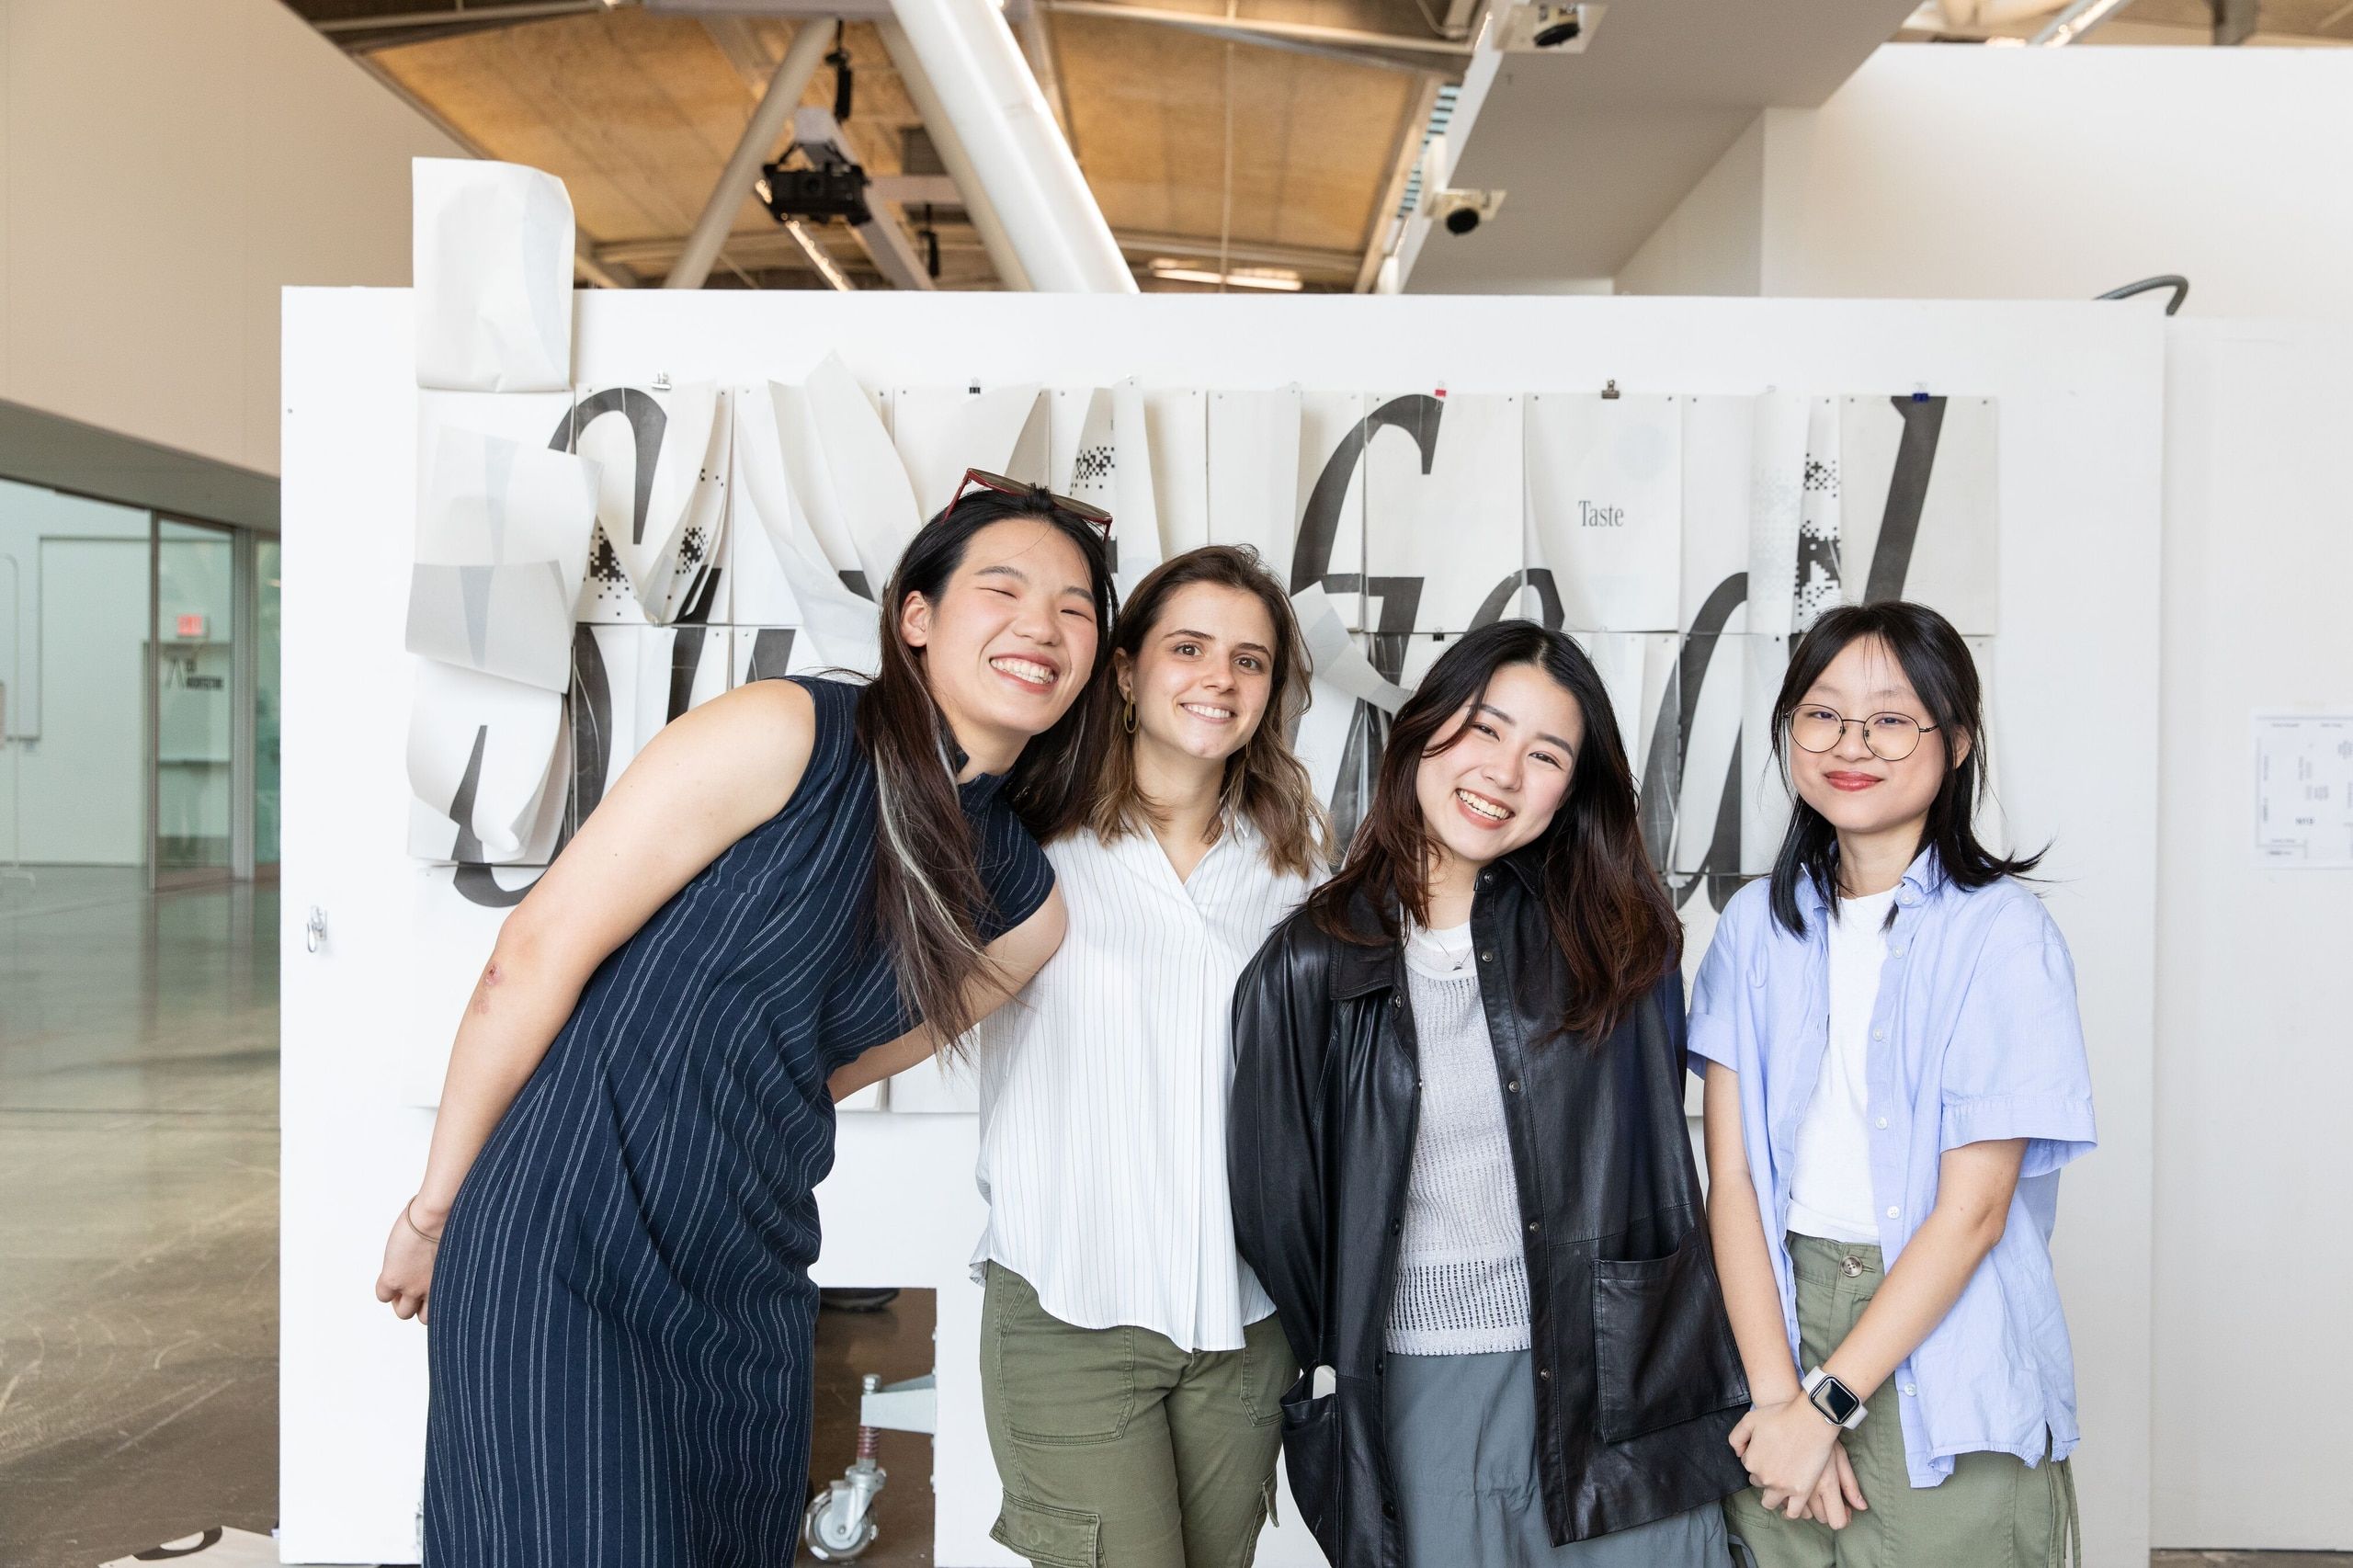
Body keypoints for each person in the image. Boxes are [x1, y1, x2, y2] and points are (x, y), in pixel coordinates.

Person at [373, 477, 1119, 1568]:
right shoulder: (788, 730)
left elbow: (834, 1068)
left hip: (748, 1269)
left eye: (1076, 608)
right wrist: (438, 1212)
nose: (1040, 627)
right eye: (1001, 588)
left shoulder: (1025, 907)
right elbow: (530, 958)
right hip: (566, 1230)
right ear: (917, 615)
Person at [1228, 619, 1750, 1568]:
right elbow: (1282, 1217)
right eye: (1482, 727)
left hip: (1622, 1382)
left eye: (1544, 753)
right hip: (1426, 1382)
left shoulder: (1624, 945)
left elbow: (1661, 1176)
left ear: (1572, 788)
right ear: (1422, 728)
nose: (1502, 772)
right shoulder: (1306, 964)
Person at [849, 545, 1330, 1568]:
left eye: (1249, 660)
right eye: (1189, 647)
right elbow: (889, 996)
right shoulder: (1023, 839)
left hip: (1246, 1320)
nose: (1219, 678)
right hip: (1073, 1308)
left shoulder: (1300, 866)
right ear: (1123, 670)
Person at [1692, 601, 2094, 1568]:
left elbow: (1973, 1212)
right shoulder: (1754, 925)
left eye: (1890, 718)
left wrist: (1827, 1401)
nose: (1851, 744)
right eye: (1822, 715)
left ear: (1954, 741)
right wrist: (1779, 1397)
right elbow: (1733, 1182)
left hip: (1939, 1322)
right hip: (1772, 1310)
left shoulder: (2001, 934)